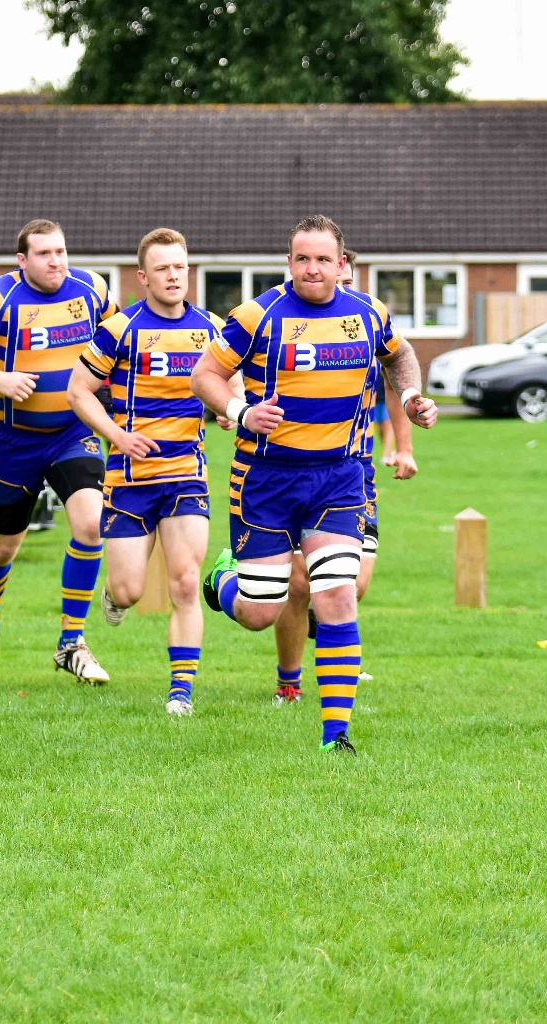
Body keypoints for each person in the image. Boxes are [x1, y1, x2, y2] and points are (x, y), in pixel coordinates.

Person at [193, 215, 437, 754]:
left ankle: (336, 737)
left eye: (323, 259)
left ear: (342, 265)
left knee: (337, 595)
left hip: (340, 479)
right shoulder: (257, 315)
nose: (312, 268)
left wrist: (414, 395)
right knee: (260, 611)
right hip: (265, 480)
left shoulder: (369, 312)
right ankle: (222, 583)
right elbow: (204, 375)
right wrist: (240, 408)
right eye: (302, 258)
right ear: (289, 263)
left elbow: (399, 355)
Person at [0, 220, 119, 686]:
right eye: (44, 254)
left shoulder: (91, 289)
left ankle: (71, 641)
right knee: (1, 547)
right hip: (14, 442)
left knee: (92, 524)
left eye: (61, 251)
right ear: (22, 260)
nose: (56, 261)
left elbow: (122, 339)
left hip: (74, 433)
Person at [64, 228, 223, 715]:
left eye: (180, 266)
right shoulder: (119, 330)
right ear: (143, 277)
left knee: (183, 581)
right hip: (130, 479)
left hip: (185, 474)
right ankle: (114, 598)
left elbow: (229, 380)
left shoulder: (212, 328)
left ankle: (181, 691)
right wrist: (116, 435)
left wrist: (226, 407)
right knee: (129, 590)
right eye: (163, 268)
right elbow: (78, 391)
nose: (174, 276)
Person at [271, 250, 417, 704]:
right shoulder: (283, 323)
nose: (342, 286)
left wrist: (404, 447)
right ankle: (290, 682)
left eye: (348, 279)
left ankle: (332, 644)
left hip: (352, 471)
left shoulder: (368, 323)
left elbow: (395, 384)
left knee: (353, 582)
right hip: (288, 471)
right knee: (298, 584)